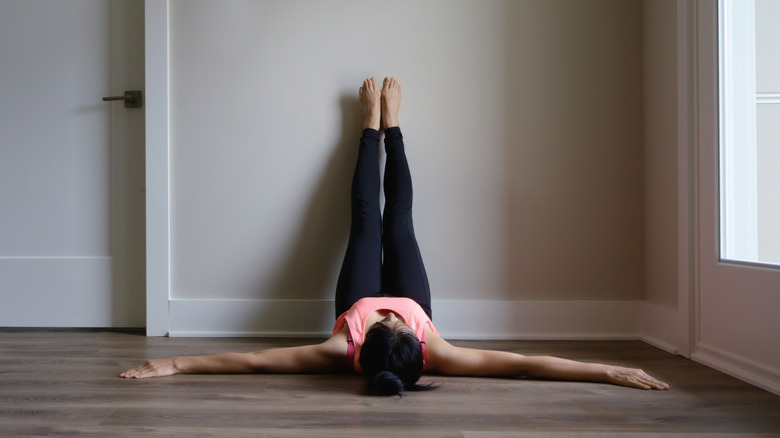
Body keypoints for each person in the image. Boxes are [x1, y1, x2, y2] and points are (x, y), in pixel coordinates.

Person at [121, 77, 670, 395]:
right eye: (395, 321)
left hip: (349, 299)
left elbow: (254, 362)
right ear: (420, 346)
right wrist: (607, 370)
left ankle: (368, 127)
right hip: (419, 295)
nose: (390, 312)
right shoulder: (435, 348)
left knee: (366, 219)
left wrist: (177, 363)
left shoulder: (341, 347)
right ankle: (395, 126)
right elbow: (524, 363)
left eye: (388, 321)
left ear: (362, 345)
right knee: (400, 218)